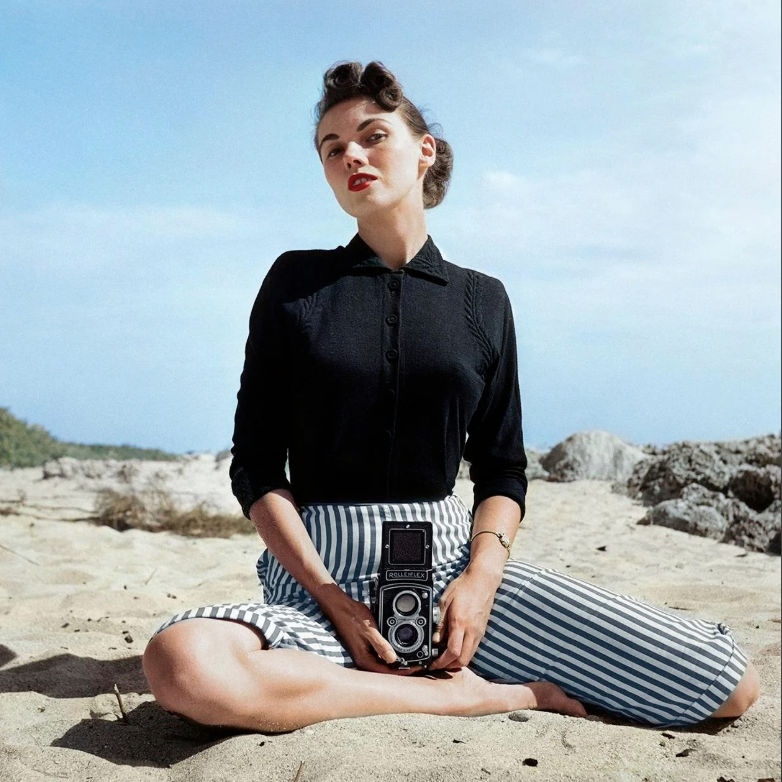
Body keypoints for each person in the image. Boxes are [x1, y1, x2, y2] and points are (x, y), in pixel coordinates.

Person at [142, 61, 760, 734]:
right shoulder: (295, 284)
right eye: (332, 148)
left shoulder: (482, 300)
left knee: (728, 682)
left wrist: (480, 582)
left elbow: (502, 468)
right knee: (185, 663)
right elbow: (257, 467)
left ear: (423, 150)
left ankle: (414, 677)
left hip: (453, 577)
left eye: (372, 136)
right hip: (319, 588)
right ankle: (471, 695)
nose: (351, 154)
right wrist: (330, 595)